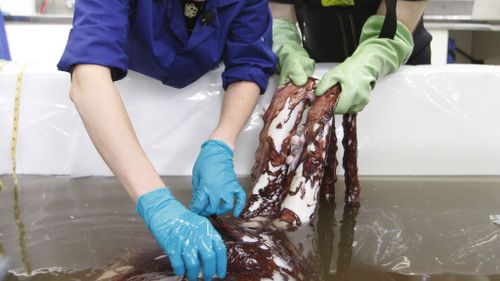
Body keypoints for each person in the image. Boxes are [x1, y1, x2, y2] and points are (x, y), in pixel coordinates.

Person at [57, 0, 275, 280]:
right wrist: (156, 203)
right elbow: (87, 78)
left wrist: (222, 141)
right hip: (123, 88)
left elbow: (249, 63)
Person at [270, 0, 431, 113]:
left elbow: (401, 15)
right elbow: (279, 10)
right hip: (321, 70)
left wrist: (367, 62)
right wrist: (285, 47)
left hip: (399, 70)